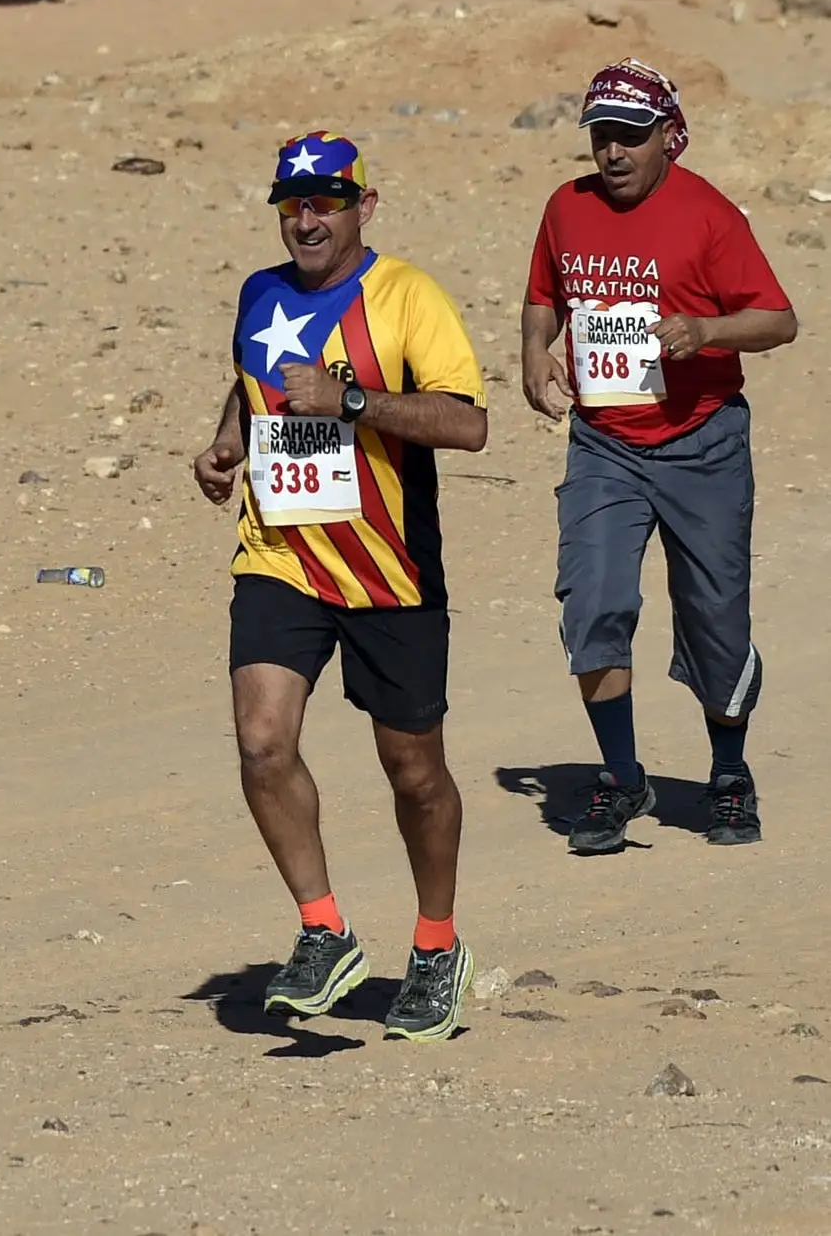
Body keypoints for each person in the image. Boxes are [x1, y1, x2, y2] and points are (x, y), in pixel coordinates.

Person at [192, 132, 489, 1043]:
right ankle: (323, 932)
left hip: (388, 567)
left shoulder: (406, 296)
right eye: (292, 201)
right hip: (279, 554)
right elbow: (251, 388)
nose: (306, 216)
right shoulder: (259, 292)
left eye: (326, 199)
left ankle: (435, 948)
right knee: (260, 743)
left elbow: (469, 423)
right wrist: (226, 445)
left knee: (413, 771)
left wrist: (351, 401)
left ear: (366, 204)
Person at [519, 60, 799, 854]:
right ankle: (619, 778)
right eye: (600, 135)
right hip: (604, 442)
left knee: (714, 617)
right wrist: (534, 357)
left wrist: (704, 332)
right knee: (592, 599)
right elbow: (544, 294)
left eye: (629, 137)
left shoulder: (707, 215)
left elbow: (778, 320)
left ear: (665, 138)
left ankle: (728, 776)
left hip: (701, 442)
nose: (611, 152)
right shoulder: (564, 209)